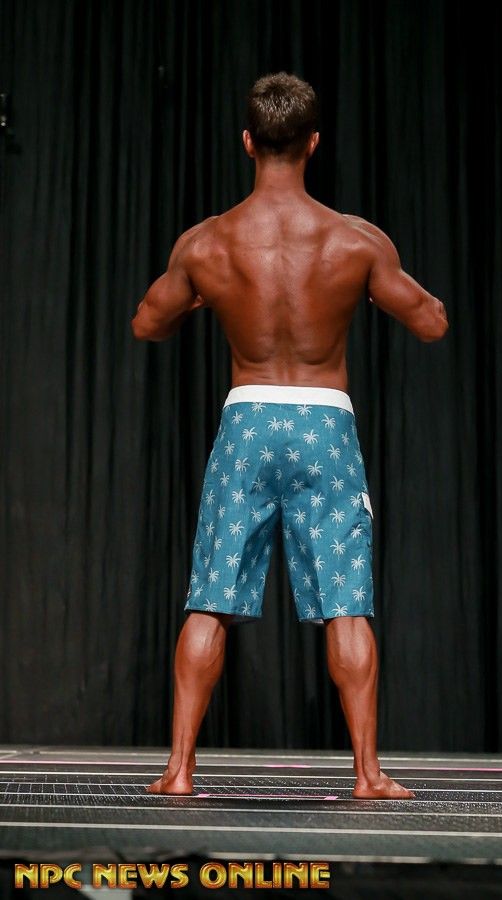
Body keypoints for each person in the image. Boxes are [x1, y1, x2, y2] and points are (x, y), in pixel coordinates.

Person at [132, 72, 448, 800]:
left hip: (246, 422)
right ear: (313, 143)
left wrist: (200, 297)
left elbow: (147, 323)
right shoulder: (354, 240)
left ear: (248, 142)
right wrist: (371, 283)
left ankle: (178, 771)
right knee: (346, 602)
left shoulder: (207, 243)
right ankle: (367, 774)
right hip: (324, 426)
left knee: (210, 597)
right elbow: (432, 323)